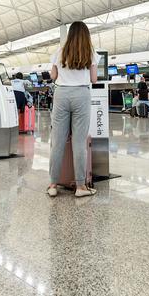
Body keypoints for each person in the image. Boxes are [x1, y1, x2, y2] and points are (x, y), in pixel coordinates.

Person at [47, 21, 99, 198]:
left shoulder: (59, 51)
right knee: (79, 143)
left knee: (57, 141)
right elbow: (94, 79)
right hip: (81, 95)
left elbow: (53, 76)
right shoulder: (90, 53)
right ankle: (80, 187)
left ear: (69, 34)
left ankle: (53, 185)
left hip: (61, 94)